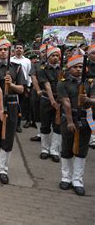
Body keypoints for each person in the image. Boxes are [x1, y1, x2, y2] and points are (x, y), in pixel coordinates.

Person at [0, 39, 24, 185]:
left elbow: (22, 89)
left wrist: (12, 85)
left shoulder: (17, 68)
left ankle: (3, 169)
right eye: (0, 50)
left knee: (7, 137)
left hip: (12, 103)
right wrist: (1, 109)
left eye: (5, 50)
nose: (3, 52)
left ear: (10, 52)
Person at [57, 54, 94, 196]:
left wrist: (88, 100)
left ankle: (77, 180)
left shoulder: (89, 83)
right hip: (69, 117)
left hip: (85, 118)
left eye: (80, 67)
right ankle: (66, 177)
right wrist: (71, 122)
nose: (78, 69)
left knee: (81, 151)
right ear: (69, 68)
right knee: (66, 148)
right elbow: (65, 102)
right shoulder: (63, 83)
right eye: (75, 67)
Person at [37, 46, 62, 162]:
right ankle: (45, 149)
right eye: (53, 55)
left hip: (60, 100)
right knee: (45, 124)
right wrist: (52, 101)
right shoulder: (43, 69)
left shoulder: (63, 70)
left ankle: (54, 150)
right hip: (47, 100)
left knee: (57, 126)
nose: (55, 58)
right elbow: (46, 85)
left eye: (57, 56)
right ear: (48, 57)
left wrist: (60, 101)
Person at [11, 41, 32, 133]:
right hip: (12, 85)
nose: (19, 49)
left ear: (23, 50)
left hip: (23, 85)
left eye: (20, 48)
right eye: (17, 48)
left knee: (20, 106)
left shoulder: (27, 61)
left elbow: (29, 74)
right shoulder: (11, 60)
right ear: (14, 49)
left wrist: (28, 85)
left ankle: (18, 124)